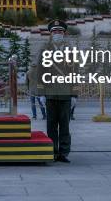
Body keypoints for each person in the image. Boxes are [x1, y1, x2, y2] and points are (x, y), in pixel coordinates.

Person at [37, 20, 76, 163]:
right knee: (51, 125)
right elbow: (40, 72)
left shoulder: (71, 50)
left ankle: (63, 153)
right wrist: (41, 93)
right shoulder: (45, 49)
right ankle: (52, 151)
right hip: (50, 93)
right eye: (54, 31)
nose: (57, 34)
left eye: (60, 31)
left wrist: (74, 94)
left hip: (65, 94)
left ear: (64, 33)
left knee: (65, 125)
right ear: (50, 34)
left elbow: (75, 72)